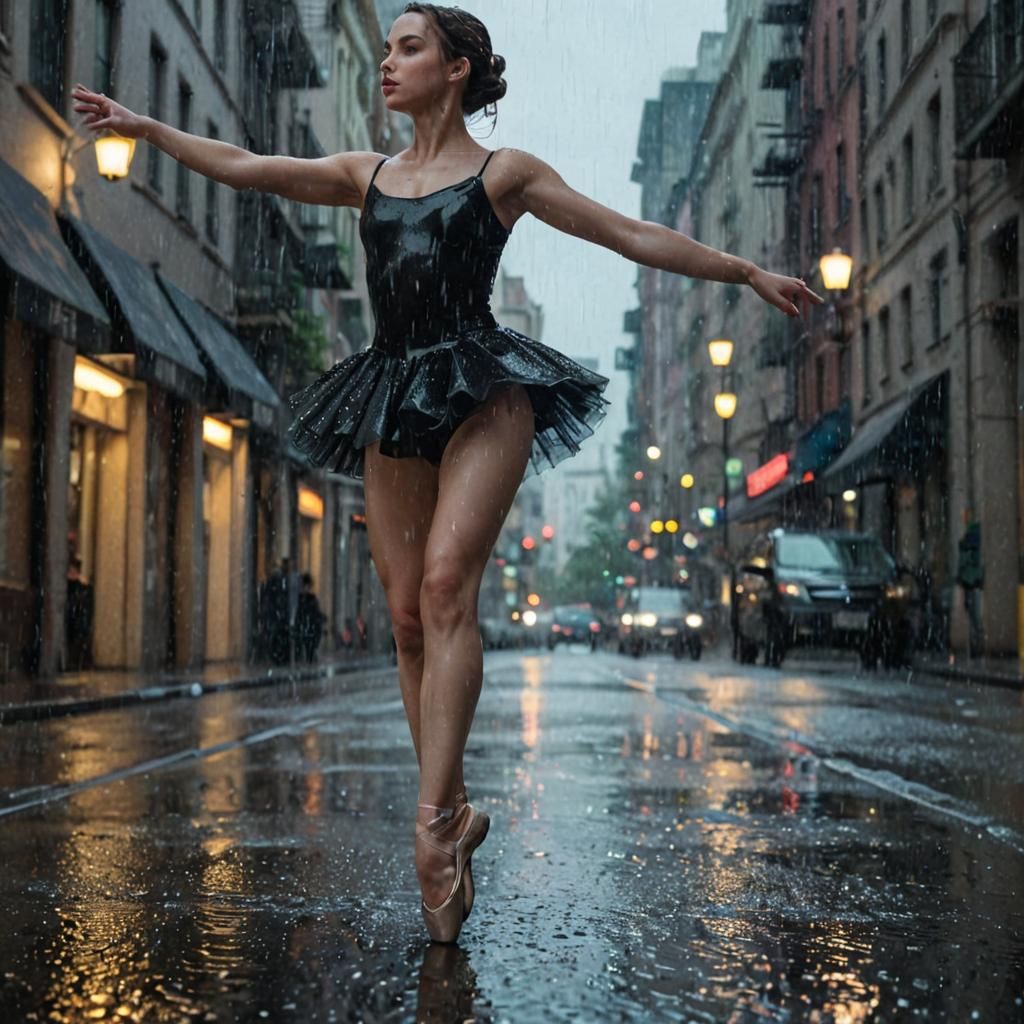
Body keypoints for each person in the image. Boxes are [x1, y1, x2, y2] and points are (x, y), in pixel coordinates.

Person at [71, 3, 821, 943]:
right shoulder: (366, 175)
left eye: (408, 47)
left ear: (456, 68)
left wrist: (744, 270)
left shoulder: (504, 175)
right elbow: (250, 166)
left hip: (483, 392)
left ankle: (430, 831)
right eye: (385, 47)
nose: (389, 62)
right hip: (393, 390)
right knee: (403, 617)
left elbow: (625, 234)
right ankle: (457, 810)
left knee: (443, 587)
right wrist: (148, 129)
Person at [296, 572, 327, 663]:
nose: (307, 588)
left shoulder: (311, 598)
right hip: (307, 626)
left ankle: (310, 658)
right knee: (308, 645)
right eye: (306, 586)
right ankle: (309, 659)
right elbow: (301, 612)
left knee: (311, 646)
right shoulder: (301, 598)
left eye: (308, 586)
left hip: (311, 626)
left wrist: (321, 617)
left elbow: (315, 611)